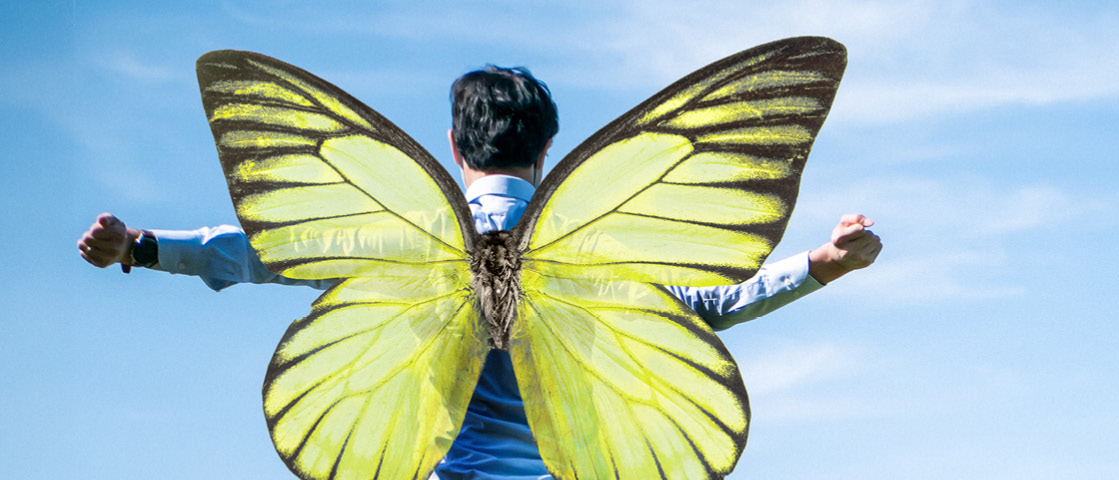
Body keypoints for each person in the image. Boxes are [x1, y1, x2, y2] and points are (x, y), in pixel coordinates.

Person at [74, 65, 881, 480]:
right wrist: (816, 265)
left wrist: (141, 246)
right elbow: (710, 303)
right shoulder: (593, 249)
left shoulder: (410, 232)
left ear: (455, 151)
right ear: (548, 154)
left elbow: (253, 251)